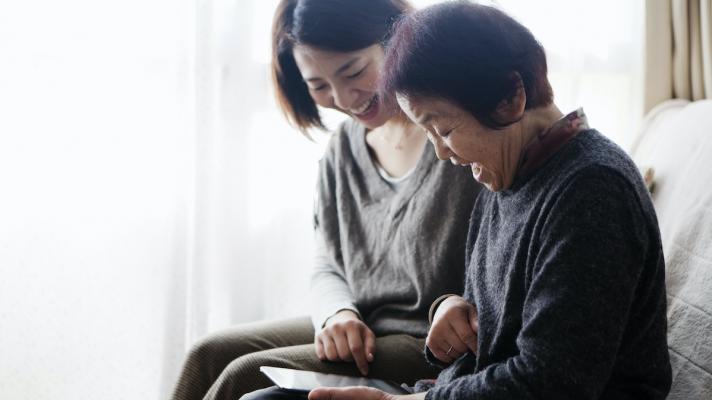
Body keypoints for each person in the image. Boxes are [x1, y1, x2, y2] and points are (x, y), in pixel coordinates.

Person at [245, 1, 673, 399]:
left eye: (444, 130)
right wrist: (452, 310)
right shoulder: (508, 175)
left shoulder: (592, 188)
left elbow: (551, 382)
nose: (441, 154)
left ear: (511, 97)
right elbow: (496, 329)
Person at [169, 1, 482, 399]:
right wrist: (337, 312)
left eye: (353, 71)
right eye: (318, 86)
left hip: (430, 341)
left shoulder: (456, 139)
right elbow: (327, 262)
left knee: (244, 375)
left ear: (397, 38)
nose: (343, 98)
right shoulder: (343, 150)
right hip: (363, 327)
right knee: (207, 354)